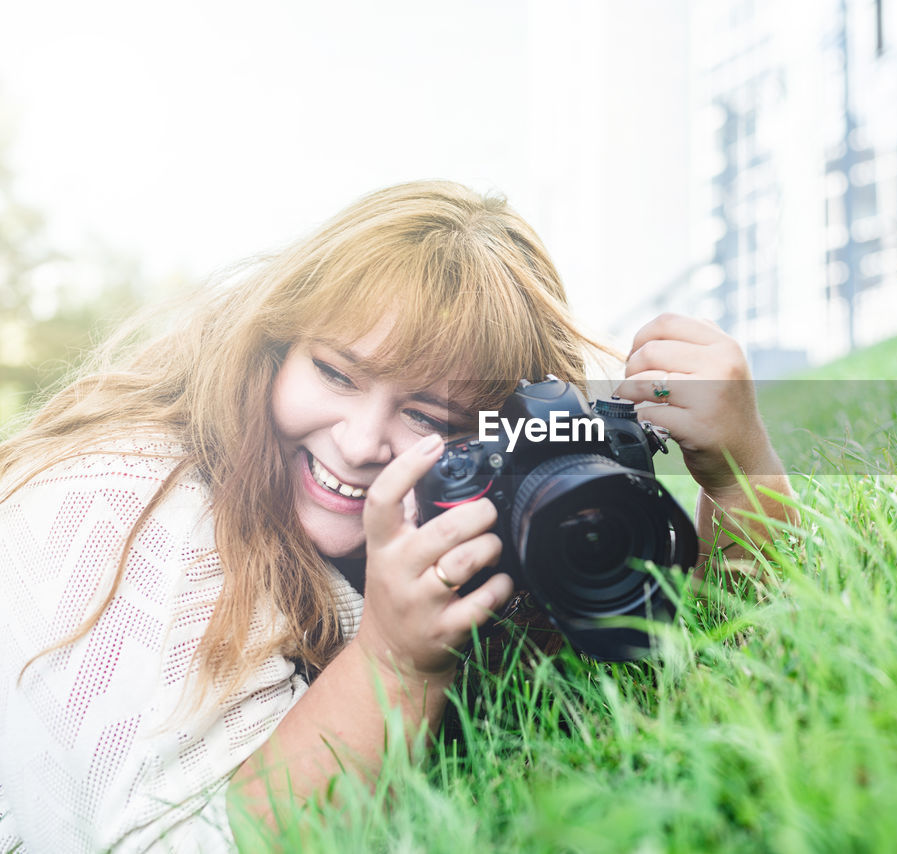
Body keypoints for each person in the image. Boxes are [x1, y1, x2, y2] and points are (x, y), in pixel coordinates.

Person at [0, 181, 793, 851]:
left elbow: (705, 676)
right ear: (274, 345)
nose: (357, 442)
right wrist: (393, 662)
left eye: (428, 417)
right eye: (336, 372)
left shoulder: (474, 507)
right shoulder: (131, 506)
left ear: (498, 441)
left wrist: (738, 474)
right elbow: (181, 839)